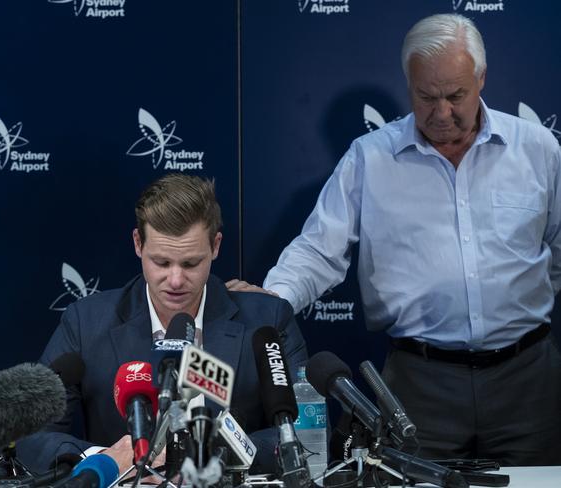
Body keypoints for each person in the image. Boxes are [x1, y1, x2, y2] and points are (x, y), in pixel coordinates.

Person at [228, 13, 561, 465]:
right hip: (417, 386)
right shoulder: (371, 158)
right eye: (426, 97)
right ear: (408, 84)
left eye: (455, 96)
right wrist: (270, 303)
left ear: (482, 78)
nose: (441, 113)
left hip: (529, 380)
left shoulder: (538, 148)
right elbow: (318, 251)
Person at [17, 174, 308, 475]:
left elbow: (305, 429)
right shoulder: (85, 322)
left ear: (216, 246)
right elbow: (31, 432)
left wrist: (215, 456)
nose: (176, 280)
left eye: (191, 263)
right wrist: (106, 459)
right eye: (161, 262)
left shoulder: (268, 320)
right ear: (138, 244)